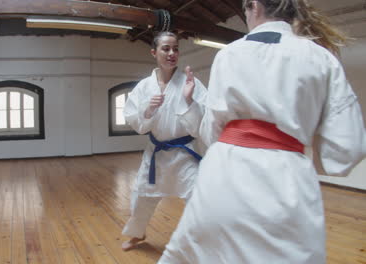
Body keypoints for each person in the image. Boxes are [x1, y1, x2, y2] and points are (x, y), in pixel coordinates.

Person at [158, 0, 366, 263]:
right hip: (286, 184)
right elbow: (346, 150)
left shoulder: (228, 55)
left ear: (253, 6)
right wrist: (299, 154)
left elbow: (211, 134)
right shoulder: (320, 57)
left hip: (222, 178)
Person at [121, 31, 207, 251]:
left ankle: (199, 241)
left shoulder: (191, 83)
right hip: (156, 153)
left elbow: (200, 126)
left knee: (197, 197)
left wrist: (189, 101)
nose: (172, 53)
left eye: (175, 48)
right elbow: (135, 121)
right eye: (166, 48)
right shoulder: (143, 87)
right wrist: (148, 109)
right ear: (154, 52)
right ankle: (137, 234)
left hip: (185, 153)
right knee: (142, 196)